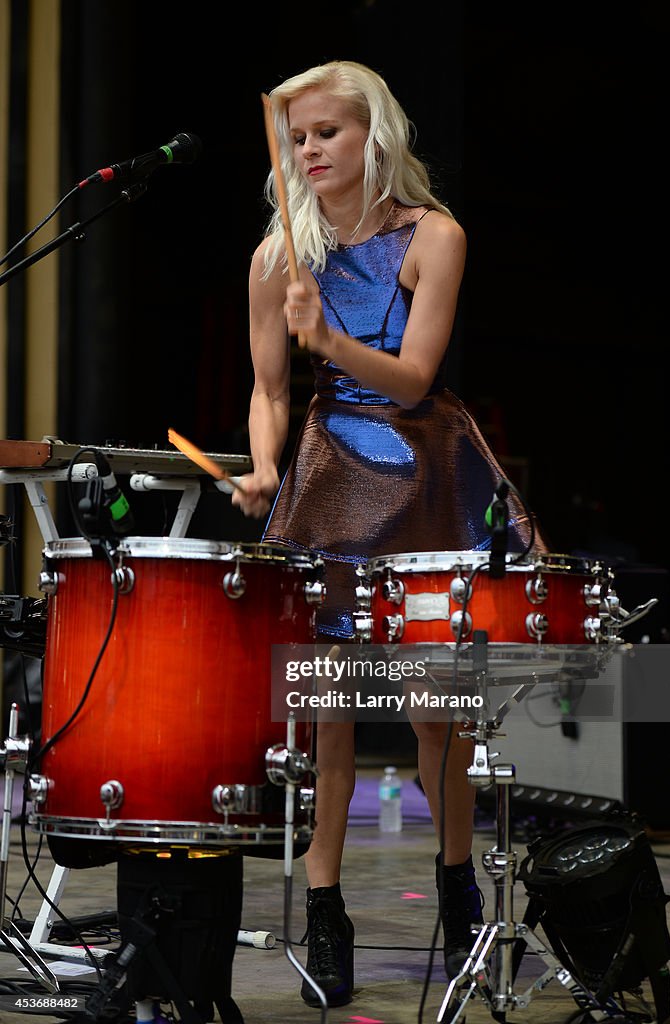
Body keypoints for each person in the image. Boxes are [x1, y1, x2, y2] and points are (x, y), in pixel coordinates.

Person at [233, 60, 545, 1008]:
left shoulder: (433, 236)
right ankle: (325, 908)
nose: (308, 150)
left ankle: (457, 886)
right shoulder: (278, 252)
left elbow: (411, 379)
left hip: (424, 479)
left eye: (326, 131)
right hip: (332, 484)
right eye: (296, 136)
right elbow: (270, 390)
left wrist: (326, 339)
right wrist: (263, 465)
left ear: (376, 137)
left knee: (433, 716)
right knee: (326, 712)